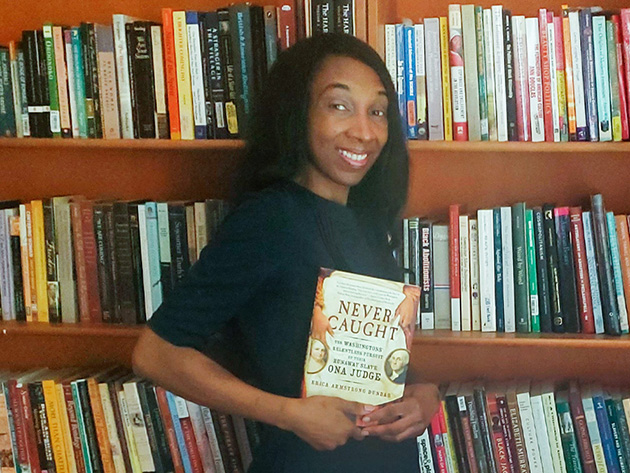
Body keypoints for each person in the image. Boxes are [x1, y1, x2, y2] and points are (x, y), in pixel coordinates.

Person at [131, 33, 440, 472]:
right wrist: (289, 413)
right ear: (298, 114)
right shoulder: (271, 218)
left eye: (377, 111)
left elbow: (385, 352)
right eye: (339, 106)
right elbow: (155, 353)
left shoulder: (368, 221)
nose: (364, 131)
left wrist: (424, 395)